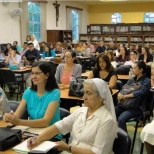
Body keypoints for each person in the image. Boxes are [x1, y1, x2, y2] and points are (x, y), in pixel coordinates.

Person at [27, 78, 117, 154]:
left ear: (101, 97)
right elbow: (59, 126)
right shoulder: (81, 111)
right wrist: (38, 139)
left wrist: (68, 148)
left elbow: (96, 152)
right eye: (84, 92)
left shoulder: (107, 120)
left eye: (89, 93)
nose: (84, 97)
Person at [3, 62, 61, 131]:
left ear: (47, 75)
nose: (33, 77)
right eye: (32, 73)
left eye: (37, 73)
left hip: (50, 133)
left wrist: (18, 122)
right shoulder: (29, 92)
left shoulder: (55, 93)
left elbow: (45, 122)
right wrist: (9, 118)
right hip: (32, 131)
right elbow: (16, 115)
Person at [115, 61, 151, 132]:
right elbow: (124, 88)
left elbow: (141, 92)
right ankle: (115, 136)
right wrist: (120, 94)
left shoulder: (146, 81)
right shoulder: (132, 79)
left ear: (141, 70)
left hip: (137, 108)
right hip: (126, 104)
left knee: (121, 119)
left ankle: (124, 141)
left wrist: (126, 96)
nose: (132, 70)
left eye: (135, 68)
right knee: (111, 112)